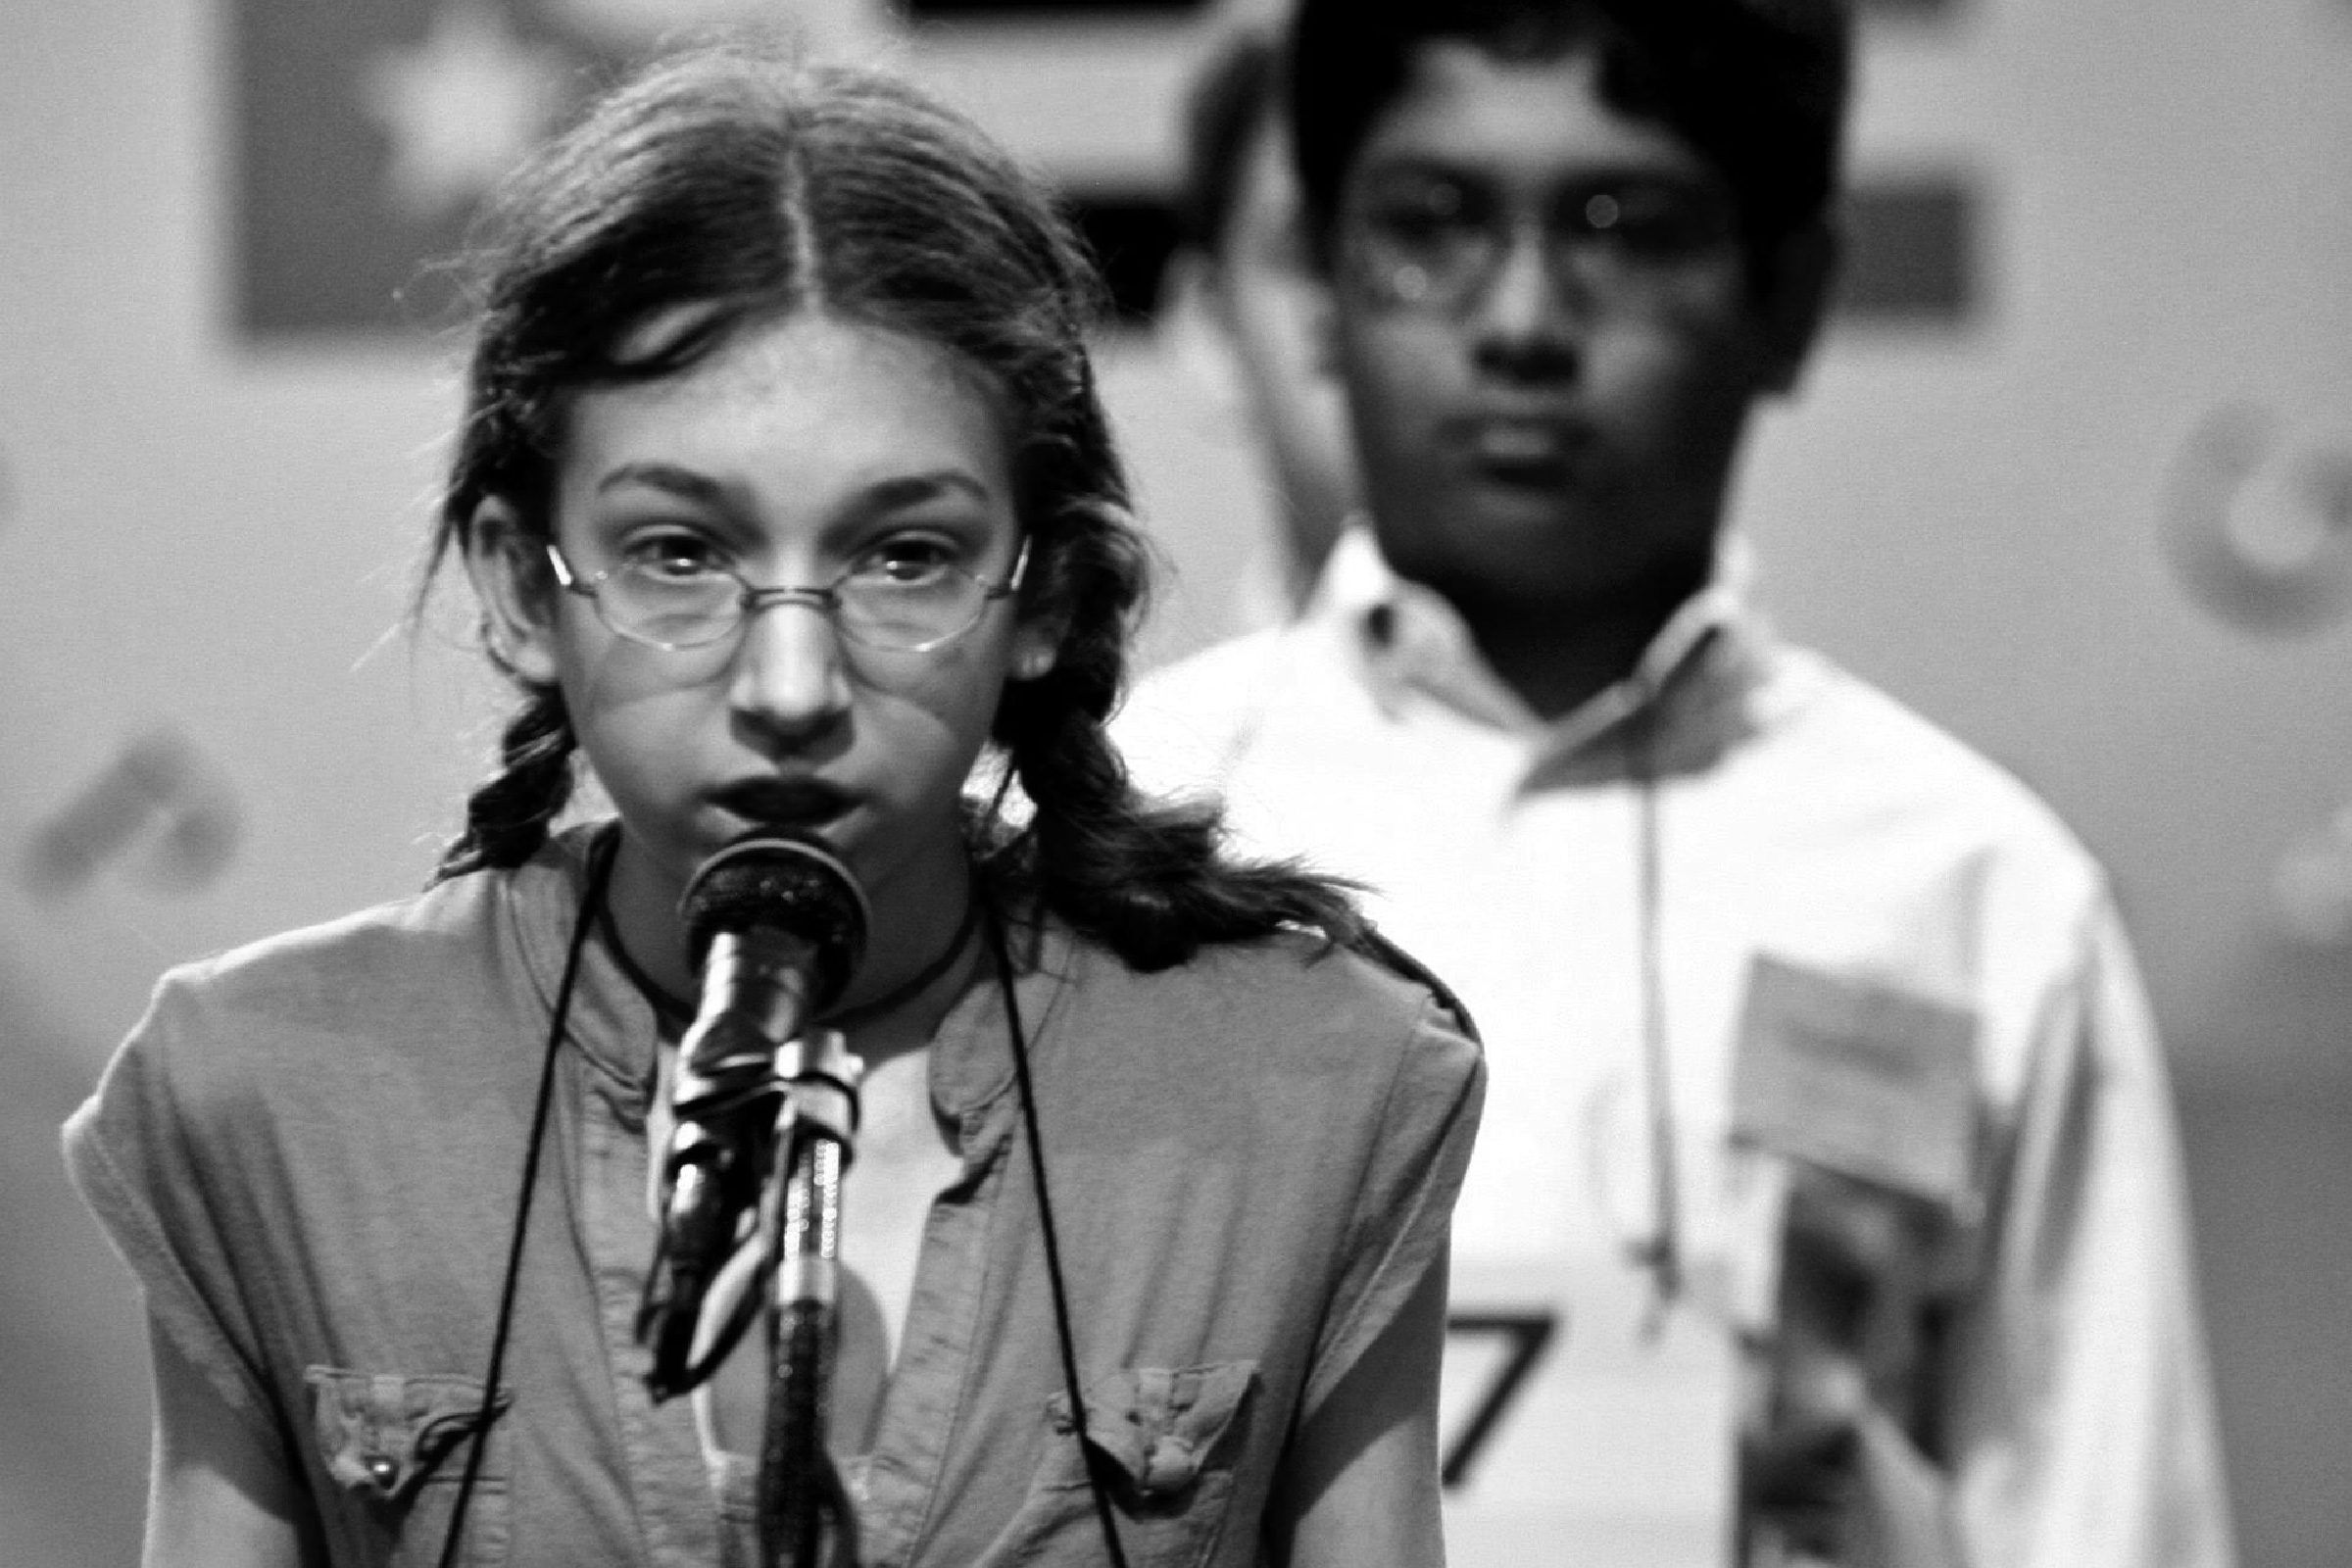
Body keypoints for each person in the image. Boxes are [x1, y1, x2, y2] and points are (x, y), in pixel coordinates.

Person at [62, 44, 1483, 1568]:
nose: (791, 681)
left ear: (1047, 591)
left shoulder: (1311, 1085)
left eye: (903, 557)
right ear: (518, 585)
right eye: (679, 554)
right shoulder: (267, 1094)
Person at [1115, 2, 2236, 1565]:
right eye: (1427, 225)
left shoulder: (1973, 892)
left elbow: (2101, 1517)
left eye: (1624, 228)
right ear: (1327, 291)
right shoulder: (1117, 829)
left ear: (1789, 296)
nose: (1519, 317)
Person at [1157, 23, 1359, 625]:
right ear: (1208, 333)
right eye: (1312, 252)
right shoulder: (1161, 721)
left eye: (1432, 235)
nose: (1372, 308)